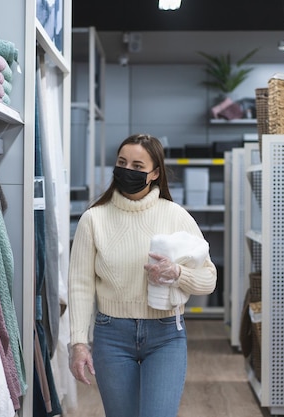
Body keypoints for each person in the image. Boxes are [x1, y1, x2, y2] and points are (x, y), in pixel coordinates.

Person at [68, 133, 217, 417]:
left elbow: (209, 279)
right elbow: (80, 285)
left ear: (155, 173)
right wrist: (78, 342)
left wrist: (178, 273)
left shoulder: (176, 216)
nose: (128, 171)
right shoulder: (93, 219)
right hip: (111, 335)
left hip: (165, 335)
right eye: (122, 162)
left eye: (138, 166)